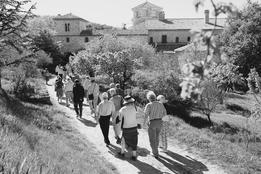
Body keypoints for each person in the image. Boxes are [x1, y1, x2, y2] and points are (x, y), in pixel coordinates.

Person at [143, 91, 167, 159]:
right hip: (160, 122)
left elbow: (145, 115)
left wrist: (144, 123)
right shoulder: (161, 104)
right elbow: (165, 113)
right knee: (157, 137)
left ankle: (155, 153)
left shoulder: (149, 105)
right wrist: (163, 121)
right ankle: (155, 150)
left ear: (149, 98)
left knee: (152, 139)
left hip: (152, 122)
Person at [118, 95, 138, 161]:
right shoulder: (135, 108)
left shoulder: (122, 109)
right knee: (134, 141)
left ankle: (122, 152)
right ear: (132, 101)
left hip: (126, 127)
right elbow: (139, 116)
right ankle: (134, 156)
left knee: (123, 140)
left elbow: (119, 119)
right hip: (134, 127)